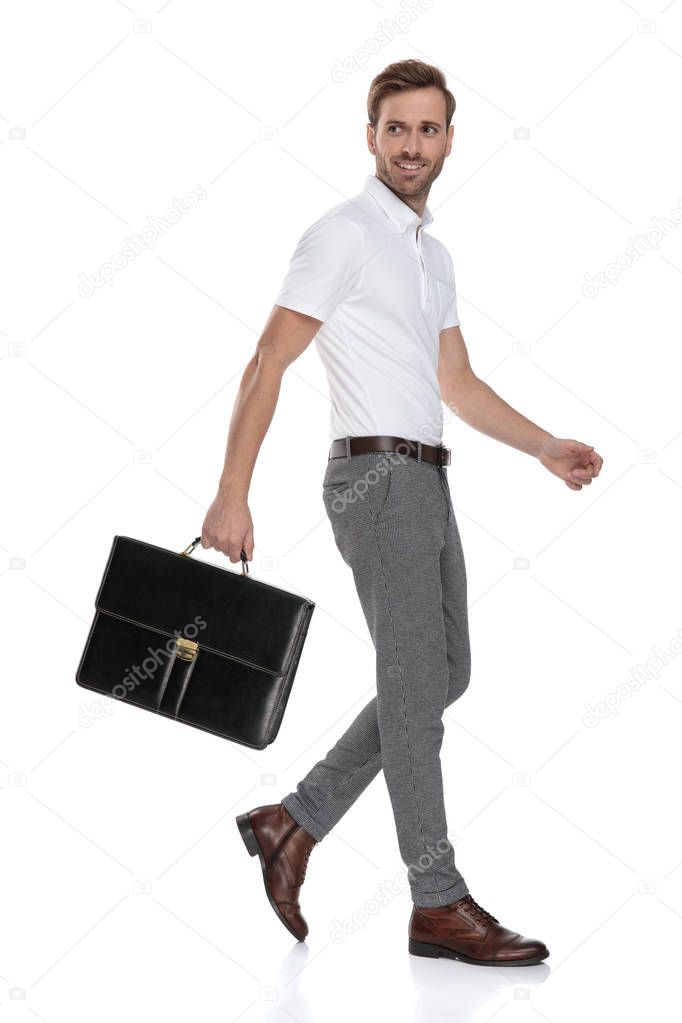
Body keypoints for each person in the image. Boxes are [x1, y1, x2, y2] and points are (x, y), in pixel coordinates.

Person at [203, 58, 603, 966]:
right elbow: (269, 358)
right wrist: (233, 489)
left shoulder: (430, 253)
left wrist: (542, 445)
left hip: (425, 478)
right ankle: (437, 899)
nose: (413, 145)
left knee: (444, 673)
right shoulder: (342, 234)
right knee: (419, 695)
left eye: (429, 129)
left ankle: (291, 822)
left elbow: (454, 382)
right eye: (396, 129)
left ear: (450, 139)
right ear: (371, 136)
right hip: (377, 482)